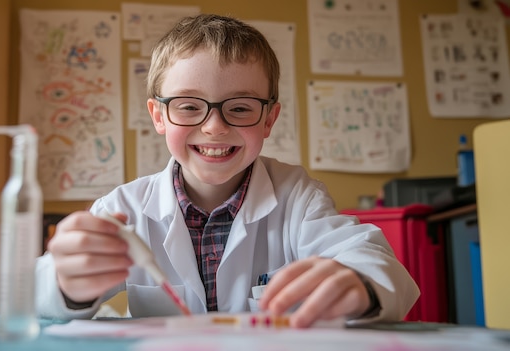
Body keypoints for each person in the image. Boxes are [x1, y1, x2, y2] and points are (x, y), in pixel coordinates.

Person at [36, 13, 419, 328]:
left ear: (269, 119)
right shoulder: (125, 209)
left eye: (239, 107)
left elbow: (373, 261)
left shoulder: (297, 196)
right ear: (159, 116)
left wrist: (360, 284)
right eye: (188, 106)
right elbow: (37, 294)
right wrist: (68, 283)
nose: (214, 127)